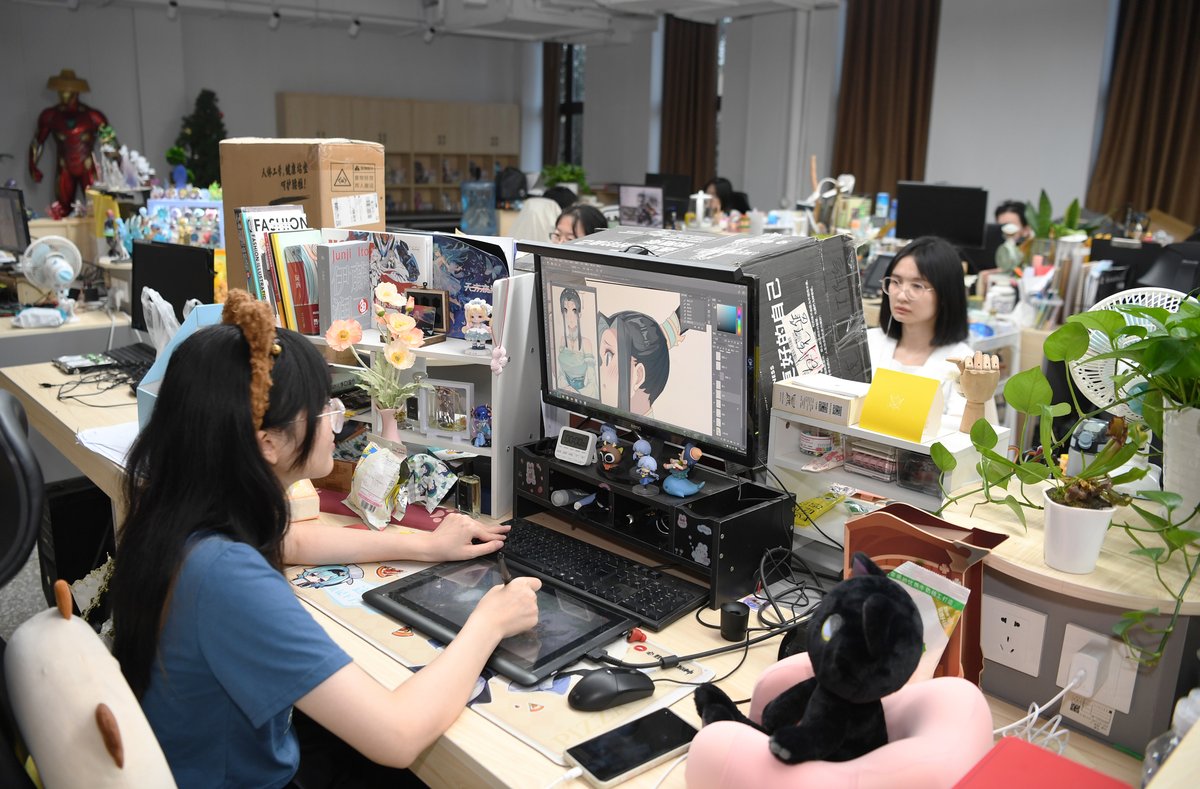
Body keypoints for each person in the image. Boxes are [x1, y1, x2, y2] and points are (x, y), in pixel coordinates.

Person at [109, 289, 541, 788]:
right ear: (267, 444)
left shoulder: (184, 516)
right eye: (323, 410)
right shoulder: (226, 577)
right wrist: (489, 621)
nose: (336, 422)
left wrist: (426, 546)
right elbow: (396, 737)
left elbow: (295, 544)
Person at [868, 236, 998, 421]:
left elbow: (965, 443)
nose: (902, 295)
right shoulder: (868, 344)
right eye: (896, 282)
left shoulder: (963, 365)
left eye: (917, 285)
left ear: (946, 294)